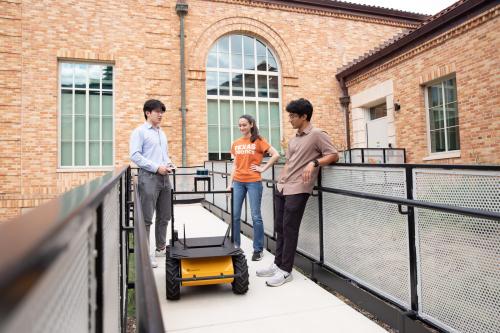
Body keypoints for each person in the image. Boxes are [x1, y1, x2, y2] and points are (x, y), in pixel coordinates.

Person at [256, 98, 338, 286]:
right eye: (290, 115)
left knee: (290, 229)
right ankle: (278, 264)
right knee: (280, 228)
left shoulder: (317, 134)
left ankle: (286, 270)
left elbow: (333, 154)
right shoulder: (293, 140)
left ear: (304, 116)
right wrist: (279, 182)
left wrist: (314, 162)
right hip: (283, 187)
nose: (290, 119)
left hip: (299, 188)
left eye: (293, 116)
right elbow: (289, 163)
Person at [227, 114, 280, 261]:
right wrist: (229, 183)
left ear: (251, 124)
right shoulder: (236, 143)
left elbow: (276, 155)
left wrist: (263, 168)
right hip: (237, 182)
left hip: (253, 182)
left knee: (256, 217)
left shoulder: (259, 140)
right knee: (235, 216)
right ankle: (235, 247)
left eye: (244, 124)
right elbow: (235, 165)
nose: (242, 127)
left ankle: (258, 250)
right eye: (240, 125)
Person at [130, 99, 176, 268]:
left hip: (165, 177)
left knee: (165, 215)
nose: (160, 115)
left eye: (162, 112)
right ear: (148, 113)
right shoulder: (140, 132)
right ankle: (146, 255)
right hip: (149, 177)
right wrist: (157, 168)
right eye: (157, 112)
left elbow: (164, 155)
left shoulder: (161, 133)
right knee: (147, 218)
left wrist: (169, 163)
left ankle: (160, 248)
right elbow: (135, 156)